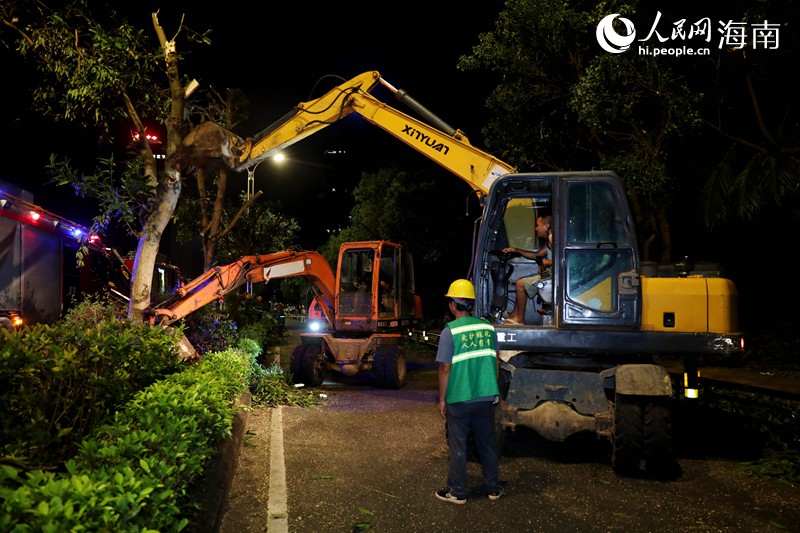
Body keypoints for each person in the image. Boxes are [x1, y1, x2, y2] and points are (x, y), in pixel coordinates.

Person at [435, 279, 504, 505]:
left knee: (458, 445)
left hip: (459, 398)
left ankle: (457, 492)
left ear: (454, 305)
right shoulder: (487, 328)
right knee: (487, 442)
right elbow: (495, 362)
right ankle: (493, 489)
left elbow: (445, 368)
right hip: (485, 397)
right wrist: (494, 390)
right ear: (471, 303)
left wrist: (442, 399)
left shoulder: (450, 332)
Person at [502, 214, 553, 324]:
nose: (536, 228)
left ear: (546, 226)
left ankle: (520, 319)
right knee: (521, 281)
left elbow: (564, 259)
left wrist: (547, 262)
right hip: (550, 275)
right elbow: (537, 255)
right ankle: (514, 315)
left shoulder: (552, 239)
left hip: (554, 277)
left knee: (520, 284)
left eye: (538, 225)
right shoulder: (550, 240)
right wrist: (516, 250)